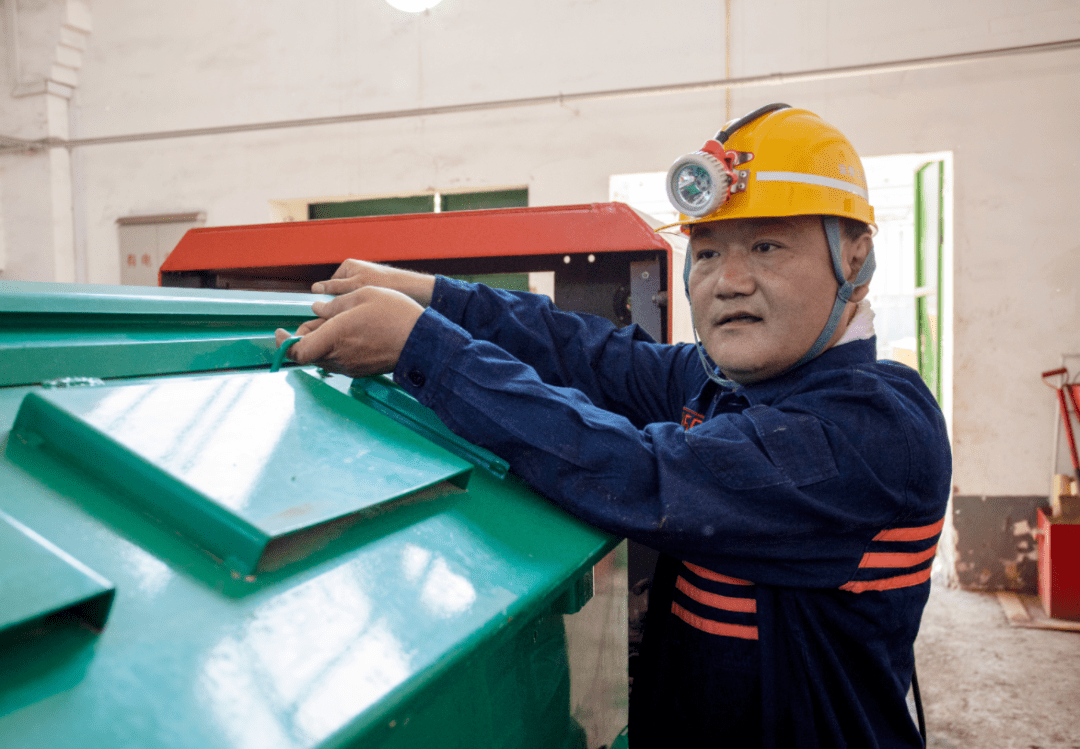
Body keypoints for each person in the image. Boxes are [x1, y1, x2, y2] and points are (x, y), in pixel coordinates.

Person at [276, 104, 951, 748]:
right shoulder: (727, 387)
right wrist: (436, 296)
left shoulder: (875, 427)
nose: (729, 281)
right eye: (708, 251)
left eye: (767, 245)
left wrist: (427, 349)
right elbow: (588, 352)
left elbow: (645, 475)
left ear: (854, 259)